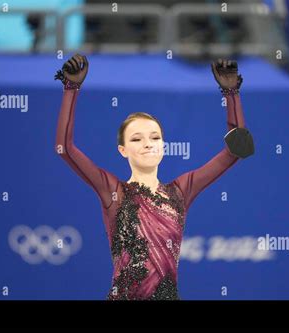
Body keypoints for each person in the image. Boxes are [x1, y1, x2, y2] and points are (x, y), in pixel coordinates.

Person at [54, 54, 254, 300]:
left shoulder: (181, 191)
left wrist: (231, 93)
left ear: (164, 146)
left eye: (155, 137)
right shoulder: (113, 191)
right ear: (123, 150)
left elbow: (236, 150)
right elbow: (64, 147)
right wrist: (71, 88)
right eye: (137, 139)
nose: (148, 144)